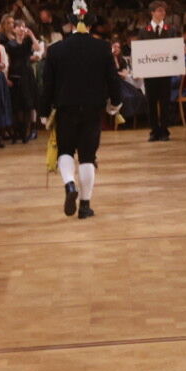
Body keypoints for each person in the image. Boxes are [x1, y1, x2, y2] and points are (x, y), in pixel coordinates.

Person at [39, 12, 122, 220]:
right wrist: (115, 102)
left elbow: (47, 85)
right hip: (93, 108)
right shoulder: (102, 48)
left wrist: (43, 111)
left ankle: (69, 184)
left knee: (65, 151)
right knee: (87, 157)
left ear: (70, 24)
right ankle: (85, 206)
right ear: (91, 25)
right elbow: (113, 79)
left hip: (65, 109)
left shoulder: (55, 50)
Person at [140, 1, 177, 141]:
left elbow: (174, 50)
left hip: (165, 72)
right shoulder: (144, 31)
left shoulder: (171, 30)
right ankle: (154, 130)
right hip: (150, 73)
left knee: (165, 102)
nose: (163, 13)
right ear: (152, 12)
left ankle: (164, 130)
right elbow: (141, 52)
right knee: (151, 103)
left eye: (164, 11)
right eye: (160, 10)